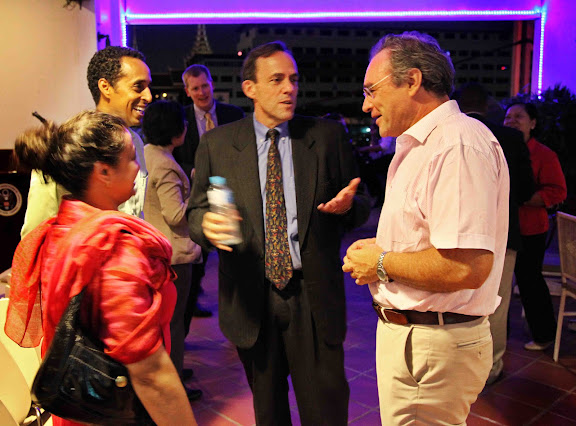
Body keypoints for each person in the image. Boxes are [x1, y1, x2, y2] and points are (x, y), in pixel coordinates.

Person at [188, 41, 371, 425]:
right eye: (277, 80)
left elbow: (360, 202)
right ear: (250, 88)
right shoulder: (217, 144)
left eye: (294, 79)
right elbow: (196, 211)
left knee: (325, 410)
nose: (290, 88)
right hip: (251, 297)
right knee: (268, 410)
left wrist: (348, 207)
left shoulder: (326, 137)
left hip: (313, 295)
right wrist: (206, 225)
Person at [342, 31, 510, 424]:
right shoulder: (426, 144)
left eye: (371, 90)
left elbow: (466, 267)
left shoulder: (455, 145)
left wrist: (380, 263)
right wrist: (383, 247)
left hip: (432, 343)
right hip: (422, 339)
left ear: (412, 80)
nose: (366, 105)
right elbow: (431, 237)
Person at [5, 110, 197, 426]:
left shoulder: (57, 230)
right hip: (117, 410)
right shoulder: (111, 246)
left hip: (77, 404)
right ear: (103, 171)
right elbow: (149, 372)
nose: (138, 168)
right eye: (131, 158)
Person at [20, 46, 151, 237]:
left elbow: (135, 213)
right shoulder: (70, 144)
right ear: (105, 87)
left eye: (148, 86)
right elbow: (35, 232)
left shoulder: (136, 142)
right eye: (138, 86)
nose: (148, 96)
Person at [454, 83, 535, 384]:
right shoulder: (510, 138)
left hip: (457, 232)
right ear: (487, 105)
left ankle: (459, 365)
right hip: (502, 233)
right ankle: (490, 368)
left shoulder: (451, 133)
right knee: (496, 304)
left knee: (457, 302)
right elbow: (525, 190)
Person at [142, 100, 203, 401]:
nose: (187, 126)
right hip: (175, 254)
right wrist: (198, 193)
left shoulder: (148, 153)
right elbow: (175, 214)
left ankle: (172, 373)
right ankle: (175, 383)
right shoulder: (166, 164)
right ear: (175, 129)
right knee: (174, 323)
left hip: (157, 251)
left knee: (166, 322)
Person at [175, 64, 245, 324]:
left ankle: (240, 307)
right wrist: (191, 171)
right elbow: (173, 156)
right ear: (187, 91)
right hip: (197, 195)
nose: (202, 92)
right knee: (198, 259)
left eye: (205, 86)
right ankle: (191, 304)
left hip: (233, 192)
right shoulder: (180, 117)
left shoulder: (233, 114)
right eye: (196, 88)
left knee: (236, 252)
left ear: (212, 84)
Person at [504, 102, 567, 351]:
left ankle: (544, 334)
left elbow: (558, 191)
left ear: (532, 123)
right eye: (508, 117)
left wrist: (524, 198)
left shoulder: (544, 154)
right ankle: (498, 335)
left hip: (530, 228)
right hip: (502, 226)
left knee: (529, 281)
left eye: (519, 116)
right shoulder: (499, 148)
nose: (512, 121)